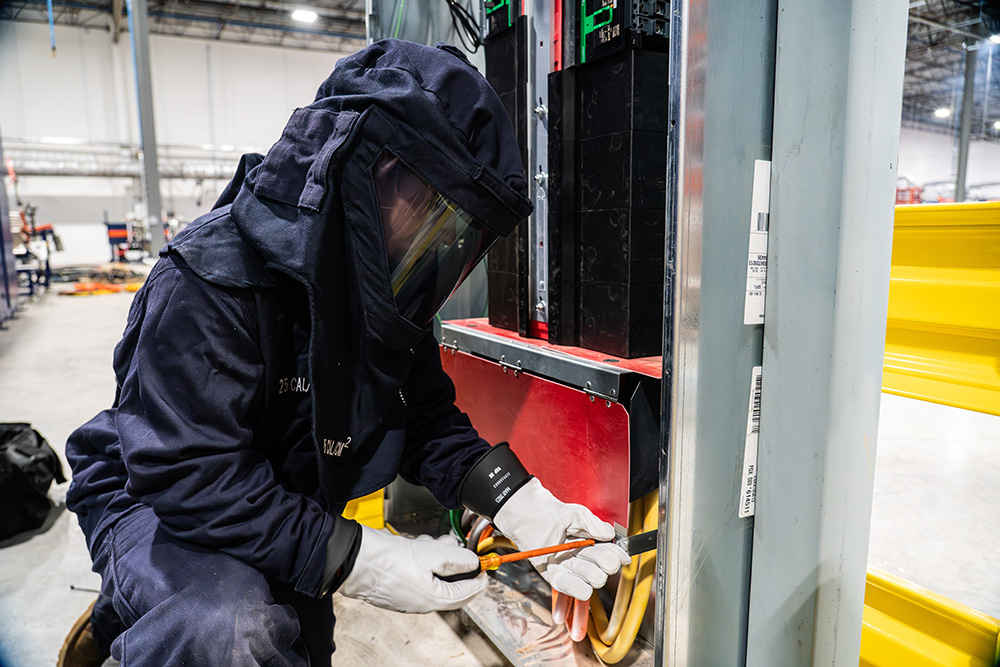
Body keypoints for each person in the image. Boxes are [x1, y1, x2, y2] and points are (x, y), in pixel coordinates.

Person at [59, 39, 629, 667]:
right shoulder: (210, 280)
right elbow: (192, 477)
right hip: (159, 499)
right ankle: (136, 616)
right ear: (366, 168)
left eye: (456, 232)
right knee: (228, 631)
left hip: (281, 501)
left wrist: (524, 504)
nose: (437, 244)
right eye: (429, 213)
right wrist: (363, 561)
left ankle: (139, 628)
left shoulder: (379, 296)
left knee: (293, 646)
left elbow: (425, 420)